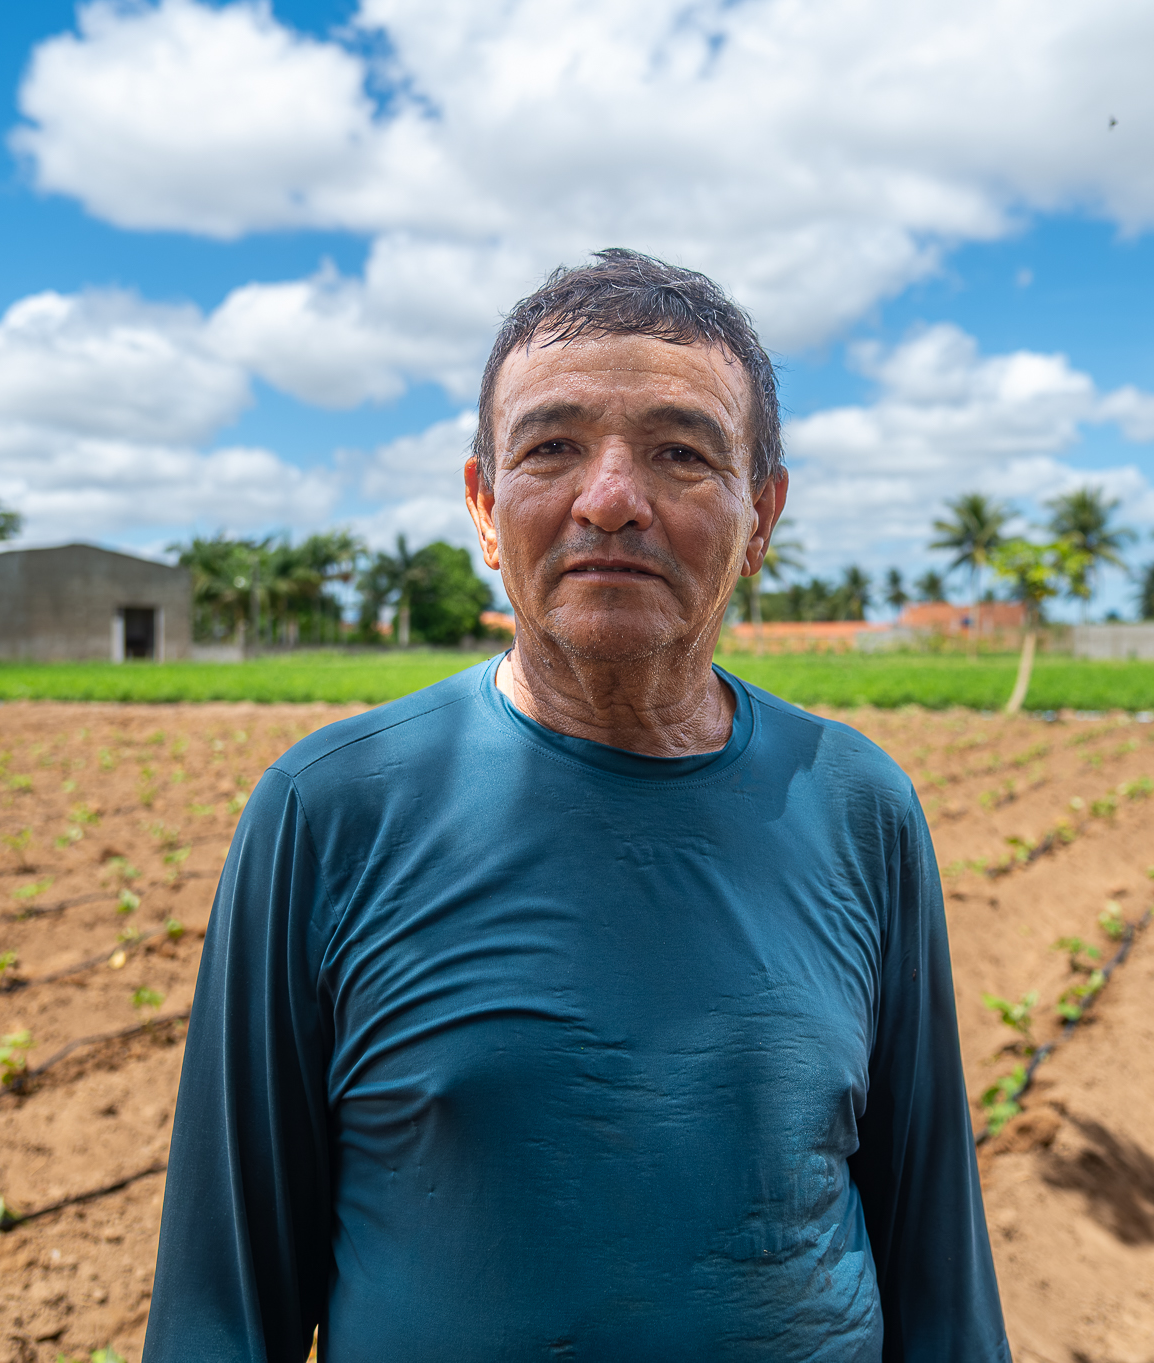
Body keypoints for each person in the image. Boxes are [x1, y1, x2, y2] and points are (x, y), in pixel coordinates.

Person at [144, 249, 1009, 1362]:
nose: (609, 501)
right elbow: (223, 1305)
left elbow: (936, 1269)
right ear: (482, 503)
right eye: (550, 447)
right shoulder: (328, 811)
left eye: (681, 454)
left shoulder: (858, 807)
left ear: (760, 517)